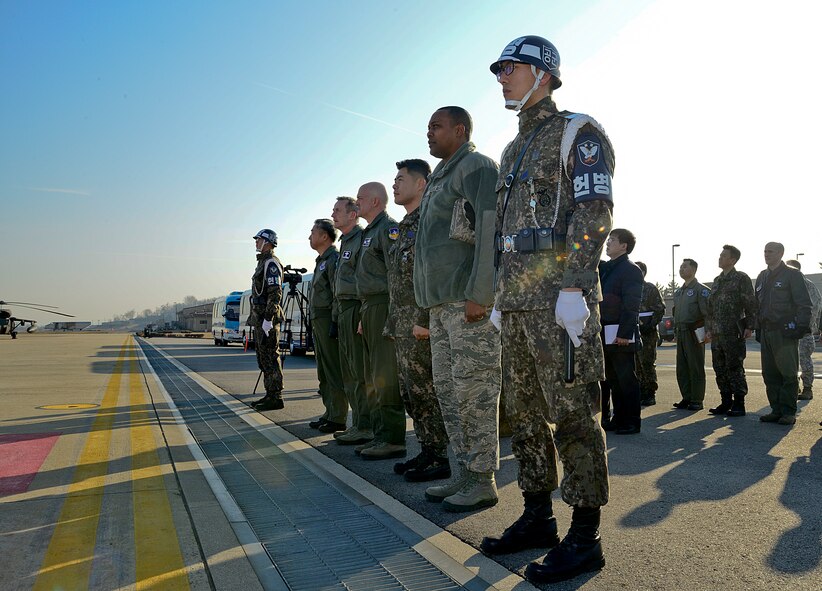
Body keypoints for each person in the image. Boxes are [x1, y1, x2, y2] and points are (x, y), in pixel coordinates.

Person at [479, 36, 613, 584]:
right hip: (515, 304)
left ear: (545, 73)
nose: (502, 77)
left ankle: (585, 537)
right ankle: (538, 516)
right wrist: (494, 297)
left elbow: (594, 208)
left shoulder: (576, 132)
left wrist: (576, 286)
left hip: (559, 302)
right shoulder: (512, 151)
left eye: (511, 68)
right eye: (501, 70)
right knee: (526, 417)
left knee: (574, 417)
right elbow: (501, 232)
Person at [413, 105, 501, 512]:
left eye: (436, 126)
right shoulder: (440, 177)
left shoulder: (476, 167)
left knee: (475, 393)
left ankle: (482, 479)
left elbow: (488, 230)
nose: (429, 133)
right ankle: (463, 473)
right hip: (440, 305)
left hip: (467, 304)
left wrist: (480, 292)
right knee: (449, 394)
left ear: (460, 130)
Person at [385, 159, 451, 482]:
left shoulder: (429, 220)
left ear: (420, 184)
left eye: (400, 179)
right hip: (402, 324)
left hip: (420, 323)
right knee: (411, 393)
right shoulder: (404, 225)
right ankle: (426, 449)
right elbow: (396, 280)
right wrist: (391, 323)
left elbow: (433, 272)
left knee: (427, 392)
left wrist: (425, 319)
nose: (394, 185)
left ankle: (439, 455)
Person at [354, 182, 406, 460]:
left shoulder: (388, 229)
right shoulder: (368, 233)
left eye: (360, 198)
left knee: (385, 375)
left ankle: (393, 438)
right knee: (372, 375)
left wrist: (392, 314)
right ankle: (379, 435)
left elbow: (395, 274)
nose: (356, 202)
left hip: (384, 304)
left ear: (375, 201)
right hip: (369, 307)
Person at [330, 197, 373, 445]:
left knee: (359, 371)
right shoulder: (345, 241)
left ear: (352, 215)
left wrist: (362, 313)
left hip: (357, 307)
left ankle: (365, 425)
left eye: (337, 210)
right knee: (349, 371)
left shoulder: (360, 239)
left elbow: (363, 278)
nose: (333, 214)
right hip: (344, 308)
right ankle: (357, 422)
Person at [755, 243, 812, 425]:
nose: (766, 254)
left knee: (787, 373)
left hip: (784, 332)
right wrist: (757, 328)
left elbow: (804, 303)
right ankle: (776, 409)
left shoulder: (792, 275)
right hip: (766, 331)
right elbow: (758, 305)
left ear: (781, 253)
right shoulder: (762, 276)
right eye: (765, 251)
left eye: (770, 251)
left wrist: (800, 327)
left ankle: (788, 411)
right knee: (770, 373)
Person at [598, 229, 643, 434]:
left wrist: (625, 334)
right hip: (606, 330)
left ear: (624, 246)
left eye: (612, 240)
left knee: (626, 380)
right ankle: (619, 418)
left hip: (621, 332)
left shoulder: (630, 269)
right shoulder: (608, 268)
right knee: (613, 379)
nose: (608, 243)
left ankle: (632, 421)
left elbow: (631, 305)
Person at [705, 245, 757, 417]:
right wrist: (709, 329)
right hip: (717, 334)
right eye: (720, 255)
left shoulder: (741, 278)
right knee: (719, 367)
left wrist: (749, 326)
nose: (719, 258)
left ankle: (739, 403)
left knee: (734, 367)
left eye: (723, 256)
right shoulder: (717, 280)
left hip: (733, 332)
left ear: (733, 260)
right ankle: (725, 401)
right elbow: (710, 309)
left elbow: (750, 303)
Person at [307, 218, 347, 432]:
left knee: (333, 369)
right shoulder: (321, 260)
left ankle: (338, 416)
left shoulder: (333, 259)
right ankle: (329, 412)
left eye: (313, 232)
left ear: (324, 236)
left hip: (327, 318)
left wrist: (334, 321)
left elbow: (336, 293)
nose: (309, 236)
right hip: (317, 319)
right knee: (323, 369)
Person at [249, 229, 285, 411]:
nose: (256, 242)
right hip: (259, 318)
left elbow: (275, 293)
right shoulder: (262, 262)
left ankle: (275, 396)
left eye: (259, 239)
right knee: (263, 358)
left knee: (270, 357)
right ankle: (269, 393)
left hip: (266, 319)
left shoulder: (270, 263)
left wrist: (268, 319)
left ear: (268, 242)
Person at [672, 259, 710, 411]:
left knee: (695, 366)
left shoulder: (702, 290)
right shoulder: (678, 292)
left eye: (685, 266)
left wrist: (708, 331)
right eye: (680, 267)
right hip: (681, 332)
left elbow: (707, 313)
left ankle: (697, 399)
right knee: (682, 367)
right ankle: (686, 397)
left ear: (694, 269)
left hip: (694, 332)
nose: (681, 269)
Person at [785, 259, 821, 400]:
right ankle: (794, 387)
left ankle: (807, 388)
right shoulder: (787, 285)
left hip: (804, 332)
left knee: (804, 361)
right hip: (788, 331)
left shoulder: (807, 286)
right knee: (788, 361)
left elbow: (814, 308)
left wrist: (805, 327)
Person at [634, 261, 666, 406]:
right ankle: (640, 391)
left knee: (647, 363)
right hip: (634, 332)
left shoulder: (650, 288)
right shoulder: (629, 288)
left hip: (648, 333)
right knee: (636, 364)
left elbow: (660, 309)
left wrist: (650, 324)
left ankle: (650, 392)